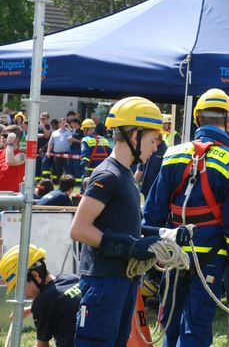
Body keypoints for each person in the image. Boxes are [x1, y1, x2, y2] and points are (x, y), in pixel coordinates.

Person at [143, 88, 229, 347]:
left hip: (172, 253)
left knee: (169, 323)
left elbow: (153, 211)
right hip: (212, 260)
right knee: (196, 327)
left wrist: (151, 249)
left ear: (197, 119)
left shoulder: (172, 155)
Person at [69, 96, 166, 347]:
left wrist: (165, 234)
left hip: (121, 281)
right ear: (135, 135)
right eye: (153, 140)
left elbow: (120, 223)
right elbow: (79, 229)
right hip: (103, 282)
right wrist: (130, 247)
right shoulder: (108, 174)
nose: (156, 147)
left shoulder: (125, 175)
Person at [0, 244, 81, 347]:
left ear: (35, 275)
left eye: (18, 286)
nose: (20, 293)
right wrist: (31, 309)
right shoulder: (72, 279)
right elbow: (59, 300)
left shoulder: (42, 304)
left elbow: (43, 345)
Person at [79, 118, 112, 184]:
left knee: (86, 190)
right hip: (103, 170)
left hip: (90, 170)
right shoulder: (104, 140)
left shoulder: (85, 140)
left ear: (86, 129)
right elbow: (110, 155)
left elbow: (85, 158)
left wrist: (81, 167)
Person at [0, 124, 26, 192]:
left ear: (16, 139)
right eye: (2, 135)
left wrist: (10, 143)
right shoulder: (0, 152)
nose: (2, 137)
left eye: (6, 136)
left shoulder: (22, 155)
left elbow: (10, 161)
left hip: (12, 196)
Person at [45, 118, 71, 183]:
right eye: (62, 123)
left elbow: (74, 135)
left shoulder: (69, 132)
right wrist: (48, 151)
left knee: (67, 168)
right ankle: (59, 182)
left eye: (65, 123)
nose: (63, 125)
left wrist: (69, 128)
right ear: (59, 124)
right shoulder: (54, 133)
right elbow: (51, 143)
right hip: (57, 153)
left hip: (66, 153)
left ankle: (68, 182)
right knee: (58, 169)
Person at [67, 117, 85, 187]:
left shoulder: (81, 131)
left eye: (72, 123)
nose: (71, 124)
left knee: (77, 166)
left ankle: (78, 183)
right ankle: (71, 182)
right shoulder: (73, 130)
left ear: (77, 123)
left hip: (77, 150)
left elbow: (83, 141)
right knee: (70, 166)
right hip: (71, 150)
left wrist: (74, 140)